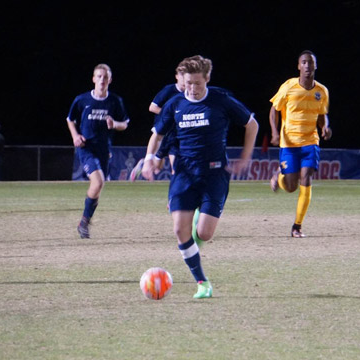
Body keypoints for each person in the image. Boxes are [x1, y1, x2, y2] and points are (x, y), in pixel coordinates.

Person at [142, 55, 259, 298]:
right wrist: (150, 158)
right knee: (179, 230)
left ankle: (201, 215)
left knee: (204, 233)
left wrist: (245, 158)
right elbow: (157, 134)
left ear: (207, 78)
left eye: (197, 83)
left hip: (215, 174)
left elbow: (252, 124)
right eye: (188, 83)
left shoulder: (220, 100)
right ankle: (202, 283)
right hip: (184, 174)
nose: (192, 89)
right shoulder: (175, 104)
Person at [268, 50, 332, 238]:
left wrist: (325, 128)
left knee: (306, 179)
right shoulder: (288, 87)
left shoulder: (322, 91)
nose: (307, 66)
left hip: (310, 142)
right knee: (290, 186)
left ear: (315, 66)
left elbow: (322, 114)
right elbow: (274, 110)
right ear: (298, 66)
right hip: (289, 143)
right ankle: (279, 177)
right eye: (303, 62)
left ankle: (297, 226)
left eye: (310, 62)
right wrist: (274, 132)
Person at [66, 63, 129, 238]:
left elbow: (124, 124)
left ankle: (84, 222)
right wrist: (75, 136)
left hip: (104, 150)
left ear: (110, 80)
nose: (102, 80)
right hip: (87, 149)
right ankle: (84, 223)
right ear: (93, 79)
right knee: (98, 182)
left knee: (98, 188)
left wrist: (114, 124)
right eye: (99, 76)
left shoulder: (115, 101)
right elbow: (70, 119)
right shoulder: (82, 100)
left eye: (105, 77)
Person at [130, 64, 185, 181]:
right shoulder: (169, 90)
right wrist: (170, 115)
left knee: (167, 167)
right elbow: (152, 107)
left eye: (186, 75)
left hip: (177, 133)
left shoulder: (188, 94)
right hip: (164, 132)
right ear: (176, 76)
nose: (184, 78)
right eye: (182, 75)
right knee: (158, 167)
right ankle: (143, 163)